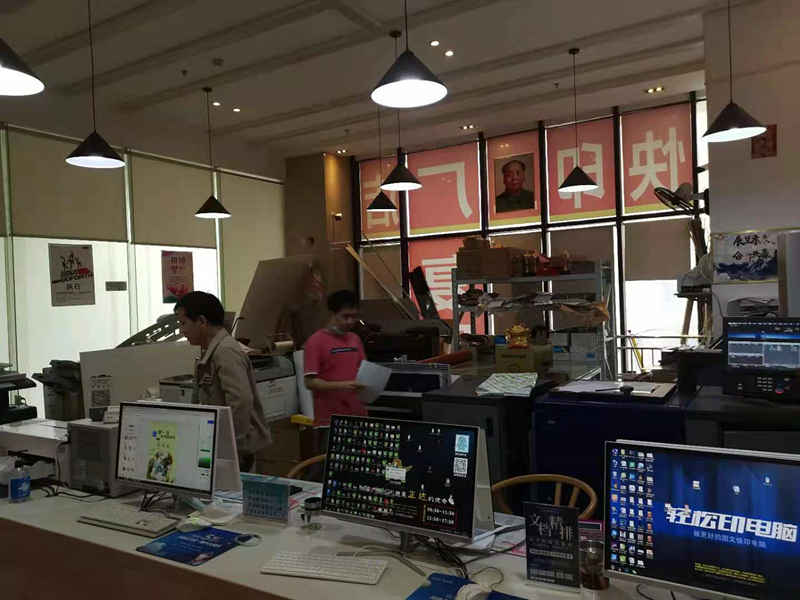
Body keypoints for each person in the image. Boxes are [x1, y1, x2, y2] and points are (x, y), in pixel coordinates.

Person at [174, 291, 271, 473]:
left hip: (234, 449)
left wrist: (232, 446)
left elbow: (241, 401)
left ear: (201, 321)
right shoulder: (211, 350)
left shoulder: (225, 351)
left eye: (183, 323)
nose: (181, 331)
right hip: (218, 445)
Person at [303, 290, 367, 428]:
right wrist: (343, 385)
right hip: (329, 420)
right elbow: (310, 382)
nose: (350, 321)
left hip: (358, 415)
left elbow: (364, 370)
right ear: (332, 314)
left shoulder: (355, 339)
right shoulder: (315, 341)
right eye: (345, 316)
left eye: (354, 317)